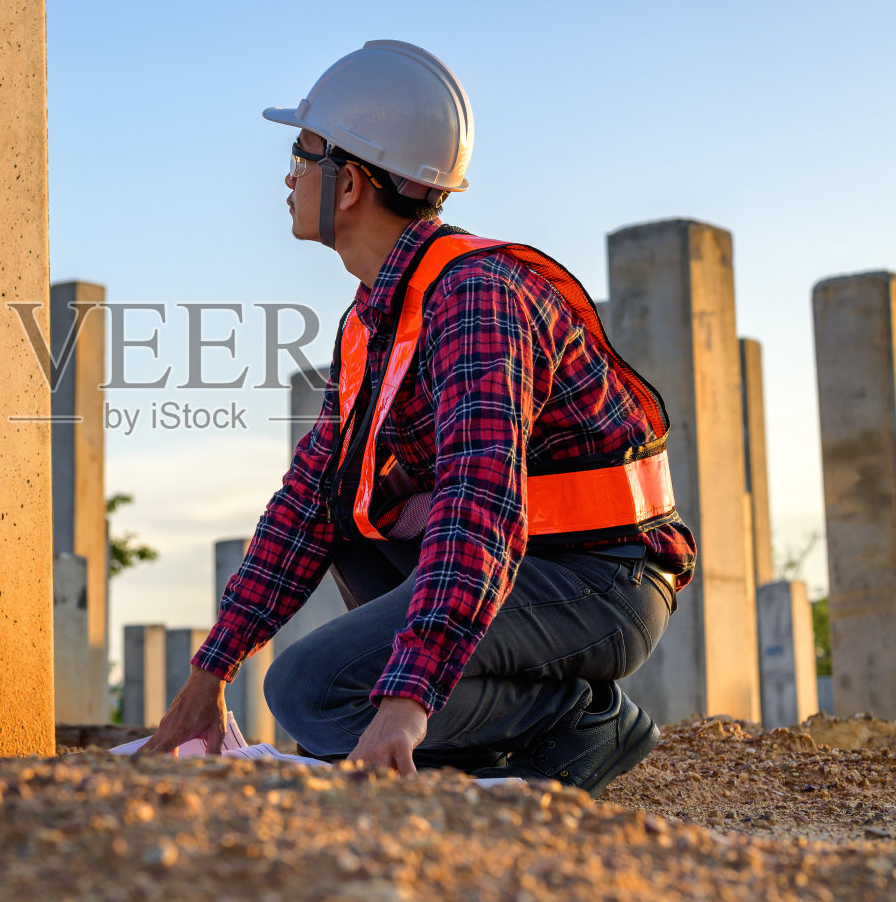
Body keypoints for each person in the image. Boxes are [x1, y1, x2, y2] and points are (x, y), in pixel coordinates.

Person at [140, 40, 692, 797]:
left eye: (303, 153)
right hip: (524, 566)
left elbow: (481, 509)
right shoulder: (376, 314)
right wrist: (207, 682)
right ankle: (451, 715)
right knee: (342, 515)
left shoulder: (477, 299)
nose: (288, 173)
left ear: (351, 186)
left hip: (602, 579)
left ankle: (578, 723)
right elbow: (307, 504)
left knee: (310, 693)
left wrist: (402, 704)